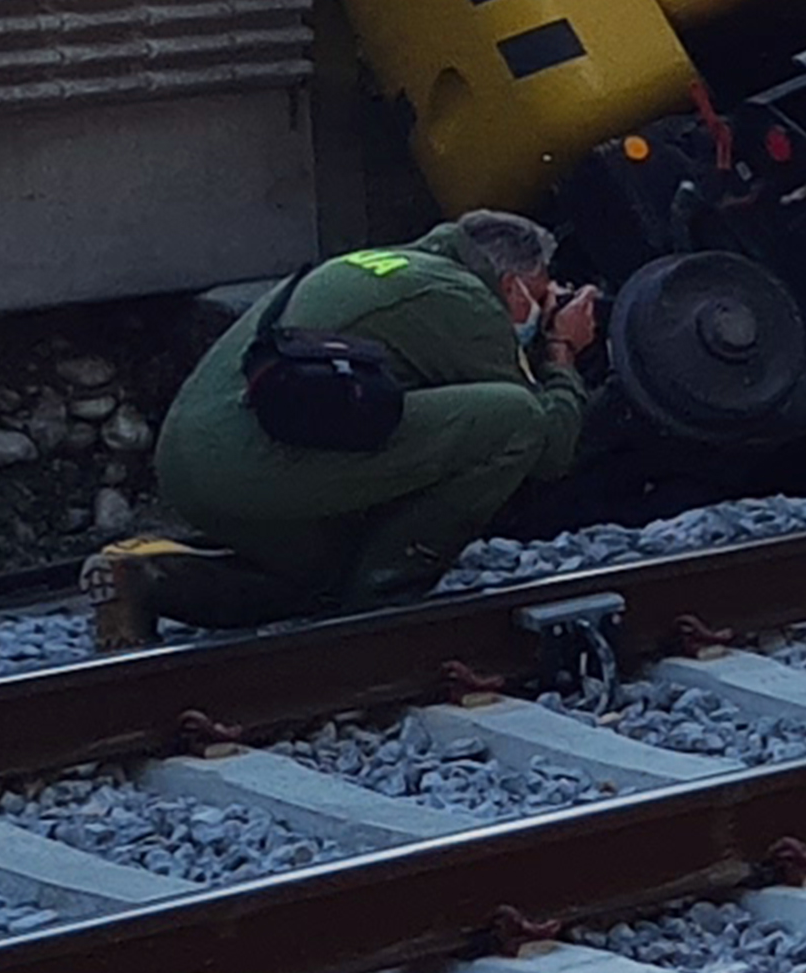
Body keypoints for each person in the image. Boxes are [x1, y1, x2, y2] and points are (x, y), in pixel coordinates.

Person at [84, 208, 599, 645]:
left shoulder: (377, 266)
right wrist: (561, 349)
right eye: (541, 296)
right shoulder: (464, 300)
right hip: (255, 467)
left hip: (189, 466)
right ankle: (386, 594)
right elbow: (549, 445)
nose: (543, 309)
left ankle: (147, 577)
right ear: (510, 285)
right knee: (514, 416)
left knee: (318, 580)